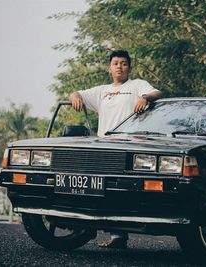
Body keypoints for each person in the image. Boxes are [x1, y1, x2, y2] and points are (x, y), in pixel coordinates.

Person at [69, 50, 162, 248]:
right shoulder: (103, 90)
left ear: (129, 67)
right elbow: (78, 94)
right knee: (98, 188)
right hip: (105, 145)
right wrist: (75, 96)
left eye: (124, 63)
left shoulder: (136, 85)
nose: (119, 66)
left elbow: (157, 92)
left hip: (130, 144)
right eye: (115, 63)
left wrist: (145, 98)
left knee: (120, 189)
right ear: (109, 67)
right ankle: (91, 228)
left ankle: (120, 235)